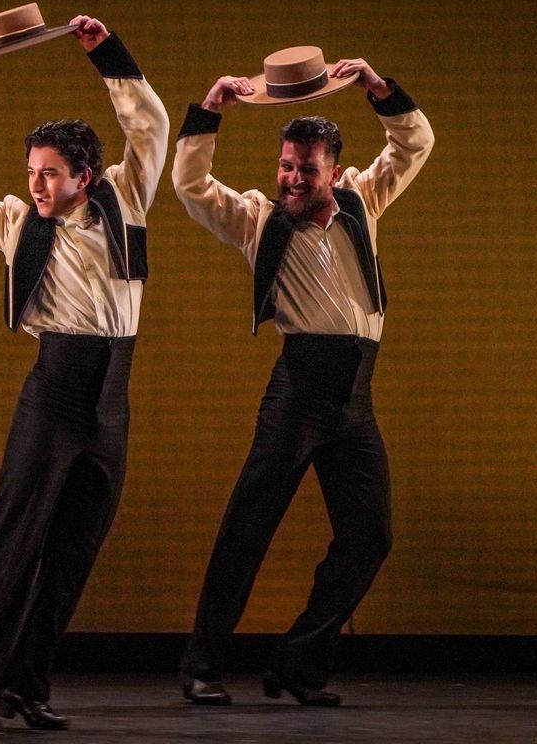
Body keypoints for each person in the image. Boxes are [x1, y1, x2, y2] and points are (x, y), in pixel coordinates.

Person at [0, 13, 168, 731]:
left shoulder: (126, 203)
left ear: (85, 175)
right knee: (13, 542)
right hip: (54, 390)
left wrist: (105, 52)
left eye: (49, 173)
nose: (36, 185)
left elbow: (149, 126)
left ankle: (28, 687)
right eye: (31, 173)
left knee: (72, 553)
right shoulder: (17, 223)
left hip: (112, 398)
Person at [171, 49, 434, 707]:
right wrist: (211, 111)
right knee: (247, 530)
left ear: (334, 171)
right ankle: (202, 665)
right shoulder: (258, 217)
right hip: (298, 390)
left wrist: (376, 85)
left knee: (370, 537)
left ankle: (299, 663)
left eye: (305, 169)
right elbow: (190, 186)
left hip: (355, 396)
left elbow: (415, 142)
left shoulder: (362, 201)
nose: (292, 178)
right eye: (286, 166)